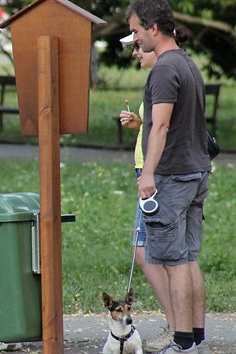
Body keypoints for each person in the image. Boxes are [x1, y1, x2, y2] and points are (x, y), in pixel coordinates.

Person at [127, 1, 212, 353]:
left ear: (153, 29)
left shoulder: (163, 69)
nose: (135, 39)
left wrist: (148, 173)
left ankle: (181, 342)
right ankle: (195, 338)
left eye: (135, 31)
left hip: (172, 177)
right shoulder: (188, 64)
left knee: (174, 261)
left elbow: (160, 125)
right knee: (189, 258)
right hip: (197, 171)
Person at [118, 34, 176, 352]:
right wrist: (139, 122)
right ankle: (177, 323)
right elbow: (155, 124)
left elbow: (167, 128)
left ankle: (175, 324)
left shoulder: (164, 76)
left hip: (154, 177)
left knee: (149, 253)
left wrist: (150, 174)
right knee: (149, 253)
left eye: (138, 47)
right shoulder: (157, 78)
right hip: (147, 174)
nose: (135, 53)